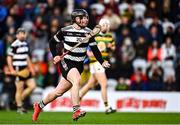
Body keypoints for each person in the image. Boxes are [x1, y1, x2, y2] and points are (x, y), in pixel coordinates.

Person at [32, 9, 110, 121]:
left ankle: (39, 106)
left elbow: (95, 49)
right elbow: (52, 42)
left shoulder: (89, 32)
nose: (85, 20)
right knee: (77, 80)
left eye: (86, 17)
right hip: (67, 62)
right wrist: (55, 55)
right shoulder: (65, 31)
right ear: (75, 19)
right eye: (82, 17)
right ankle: (76, 110)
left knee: (58, 92)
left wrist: (102, 62)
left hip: (79, 65)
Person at [79, 18, 116, 114]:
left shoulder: (110, 36)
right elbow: (87, 46)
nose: (106, 26)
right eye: (104, 25)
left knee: (90, 84)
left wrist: (111, 48)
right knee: (104, 84)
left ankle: (77, 98)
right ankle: (107, 107)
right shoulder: (95, 36)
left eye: (107, 25)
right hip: (96, 62)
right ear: (100, 25)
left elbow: (113, 48)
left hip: (102, 63)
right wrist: (88, 52)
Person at [7, 28, 36, 114]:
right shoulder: (14, 45)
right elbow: (9, 57)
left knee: (32, 86)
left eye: (24, 33)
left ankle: (18, 100)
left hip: (25, 69)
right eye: (21, 33)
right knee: (19, 88)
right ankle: (19, 107)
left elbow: (27, 57)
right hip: (18, 68)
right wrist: (11, 69)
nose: (23, 35)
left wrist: (31, 68)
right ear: (17, 35)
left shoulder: (25, 44)